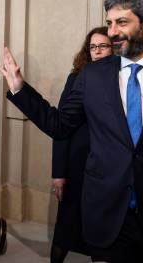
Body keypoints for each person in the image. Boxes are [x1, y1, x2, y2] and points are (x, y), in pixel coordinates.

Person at [0, 0, 143, 263]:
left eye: (122, 22)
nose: (112, 31)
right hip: (106, 215)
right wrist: (20, 89)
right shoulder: (92, 76)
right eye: (109, 22)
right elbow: (60, 125)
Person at [50, 26, 112, 262]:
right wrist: (58, 173)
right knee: (65, 227)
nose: (96, 51)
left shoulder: (123, 78)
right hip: (77, 164)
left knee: (102, 230)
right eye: (92, 47)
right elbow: (60, 127)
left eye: (102, 46)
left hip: (106, 168)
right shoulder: (76, 78)